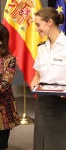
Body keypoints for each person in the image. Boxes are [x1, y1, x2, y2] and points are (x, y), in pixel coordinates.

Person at [31, 7, 66, 150]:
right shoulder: (42, 47)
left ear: (49, 22)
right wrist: (34, 81)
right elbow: (37, 74)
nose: (36, 29)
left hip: (62, 104)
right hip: (43, 102)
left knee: (58, 143)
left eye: (38, 25)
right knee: (40, 142)